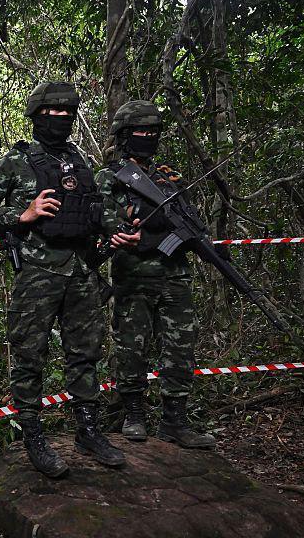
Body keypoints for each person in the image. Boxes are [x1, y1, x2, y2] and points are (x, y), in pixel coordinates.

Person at [0, 81, 126, 478]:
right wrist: (22, 214)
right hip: (38, 275)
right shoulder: (15, 162)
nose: (61, 119)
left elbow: (97, 209)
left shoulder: (79, 161)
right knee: (29, 355)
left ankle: (88, 429)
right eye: (52, 113)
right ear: (36, 115)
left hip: (82, 271)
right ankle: (33, 436)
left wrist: (118, 229)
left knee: (85, 353)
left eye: (68, 114)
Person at [95, 99, 216, 449]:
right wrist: (139, 229)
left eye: (152, 132)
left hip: (175, 274)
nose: (147, 137)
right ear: (123, 135)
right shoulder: (111, 177)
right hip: (134, 273)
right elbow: (104, 221)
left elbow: (191, 219)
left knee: (181, 345)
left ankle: (175, 420)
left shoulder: (169, 176)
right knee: (132, 345)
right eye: (139, 132)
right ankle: (134, 414)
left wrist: (206, 244)